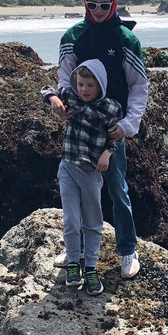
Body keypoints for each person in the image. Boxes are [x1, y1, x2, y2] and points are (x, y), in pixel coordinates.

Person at [48, 0, 149, 280]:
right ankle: (74, 250)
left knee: (117, 189)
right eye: (92, 4)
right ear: (85, 3)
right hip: (79, 126)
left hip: (111, 126)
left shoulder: (126, 40)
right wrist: (60, 102)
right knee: (75, 192)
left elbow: (139, 86)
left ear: (114, 4)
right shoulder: (73, 36)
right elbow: (65, 77)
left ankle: (127, 250)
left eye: (104, 5)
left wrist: (129, 124)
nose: (98, 10)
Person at [41, 60, 123, 296]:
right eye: (81, 84)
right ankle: (73, 264)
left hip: (91, 173)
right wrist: (54, 100)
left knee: (93, 222)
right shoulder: (71, 96)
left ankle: (91, 267)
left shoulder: (110, 108)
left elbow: (117, 137)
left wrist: (107, 154)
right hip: (67, 168)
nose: (84, 89)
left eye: (90, 85)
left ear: (100, 86)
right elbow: (46, 89)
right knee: (71, 221)